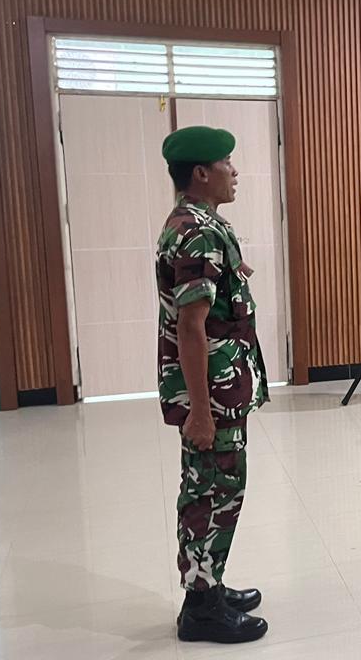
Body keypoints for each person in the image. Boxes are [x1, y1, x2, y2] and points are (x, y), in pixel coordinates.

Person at [156, 126, 269, 643]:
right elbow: (190, 326)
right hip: (213, 395)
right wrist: (201, 412)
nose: (235, 171)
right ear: (201, 173)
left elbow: (206, 294)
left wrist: (233, 273)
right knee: (212, 490)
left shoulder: (200, 223)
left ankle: (208, 586)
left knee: (214, 487)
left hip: (220, 388)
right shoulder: (197, 230)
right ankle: (202, 608)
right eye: (226, 162)